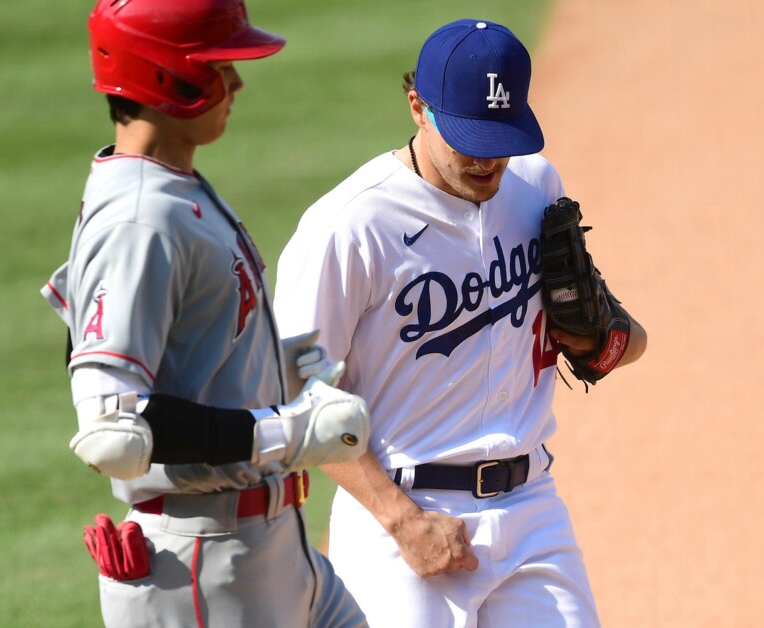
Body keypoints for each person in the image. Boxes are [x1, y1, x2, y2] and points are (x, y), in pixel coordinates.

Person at [273, 19, 648, 628]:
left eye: (501, 137)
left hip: (532, 510)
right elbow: (292, 392)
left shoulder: (535, 185)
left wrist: (600, 342)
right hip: (402, 516)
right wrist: (401, 519)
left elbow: (621, 338)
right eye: (468, 137)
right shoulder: (350, 226)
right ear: (417, 106)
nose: (487, 158)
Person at [40, 1, 370, 626]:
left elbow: (188, 356)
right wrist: (288, 430)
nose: (237, 82)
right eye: (220, 65)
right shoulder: (140, 219)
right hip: (203, 568)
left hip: (269, 548)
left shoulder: (172, 187)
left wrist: (282, 370)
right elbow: (113, 428)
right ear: (167, 75)